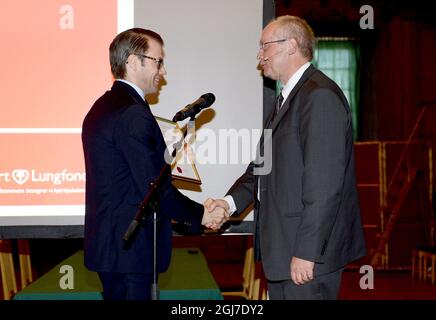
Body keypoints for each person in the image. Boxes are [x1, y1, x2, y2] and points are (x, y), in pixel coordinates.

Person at [205, 16, 366, 300]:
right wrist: (228, 204)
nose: (259, 55)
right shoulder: (286, 100)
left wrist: (307, 252)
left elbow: (325, 187)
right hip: (284, 253)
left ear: (291, 45)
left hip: (305, 258)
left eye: (264, 46)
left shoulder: (319, 97)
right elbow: (261, 169)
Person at [82, 28, 228, 300]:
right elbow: (155, 187)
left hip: (116, 249)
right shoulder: (132, 113)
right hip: (132, 252)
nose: (163, 71)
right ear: (134, 62)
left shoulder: (103, 106)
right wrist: (201, 215)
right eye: (158, 61)